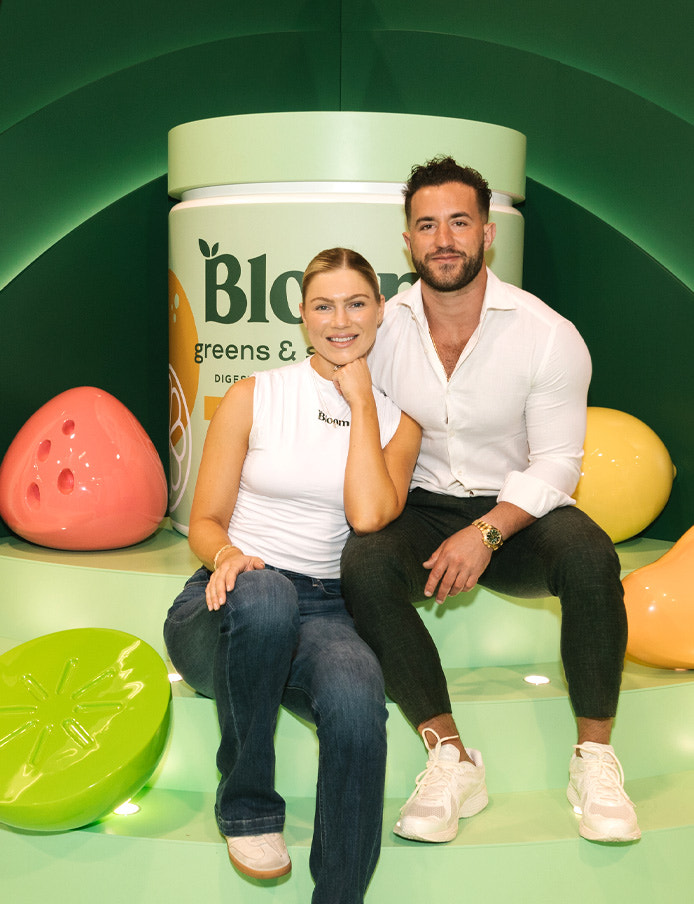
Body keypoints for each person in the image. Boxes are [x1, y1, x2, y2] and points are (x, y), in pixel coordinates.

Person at [341, 156, 641, 846]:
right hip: (420, 505)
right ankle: (451, 758)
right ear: (409, 240)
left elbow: (559, 462)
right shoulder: (381, 329)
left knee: (592, 557)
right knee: (363, 564)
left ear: (486, 234)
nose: (443, 239)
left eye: (458, 222)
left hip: (518, 512)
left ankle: (593, 758)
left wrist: (488, 532)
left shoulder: (546, 334)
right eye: (426, 225)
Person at [163, 248, 421, 903]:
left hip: (324, 610)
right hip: (228, 602)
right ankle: (247, 806)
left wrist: (362, 403)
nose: (341, 320)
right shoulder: (256, 395)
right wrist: (225, 557)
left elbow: (368, 515)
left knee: (360, 700)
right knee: (269, 593)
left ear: (380, 311)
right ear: (302, 315)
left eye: (357, 303)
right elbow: (206, 521)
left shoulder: (399, 425)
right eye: (324, 305)